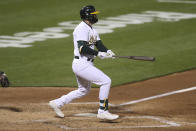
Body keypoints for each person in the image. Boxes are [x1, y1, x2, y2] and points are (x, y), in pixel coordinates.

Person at [49, 5, 119, 120]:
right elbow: (82, 48)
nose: (95, 16)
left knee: (83, 90)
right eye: (93, 14)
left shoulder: (92, 29)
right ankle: (103, 111)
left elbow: (99, 44)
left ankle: (57, 103)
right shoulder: (81, 28)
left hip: (85, 64)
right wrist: (98, 54)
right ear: (87, 16)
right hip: (81, 64)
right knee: (106, 81)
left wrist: (107, 51)